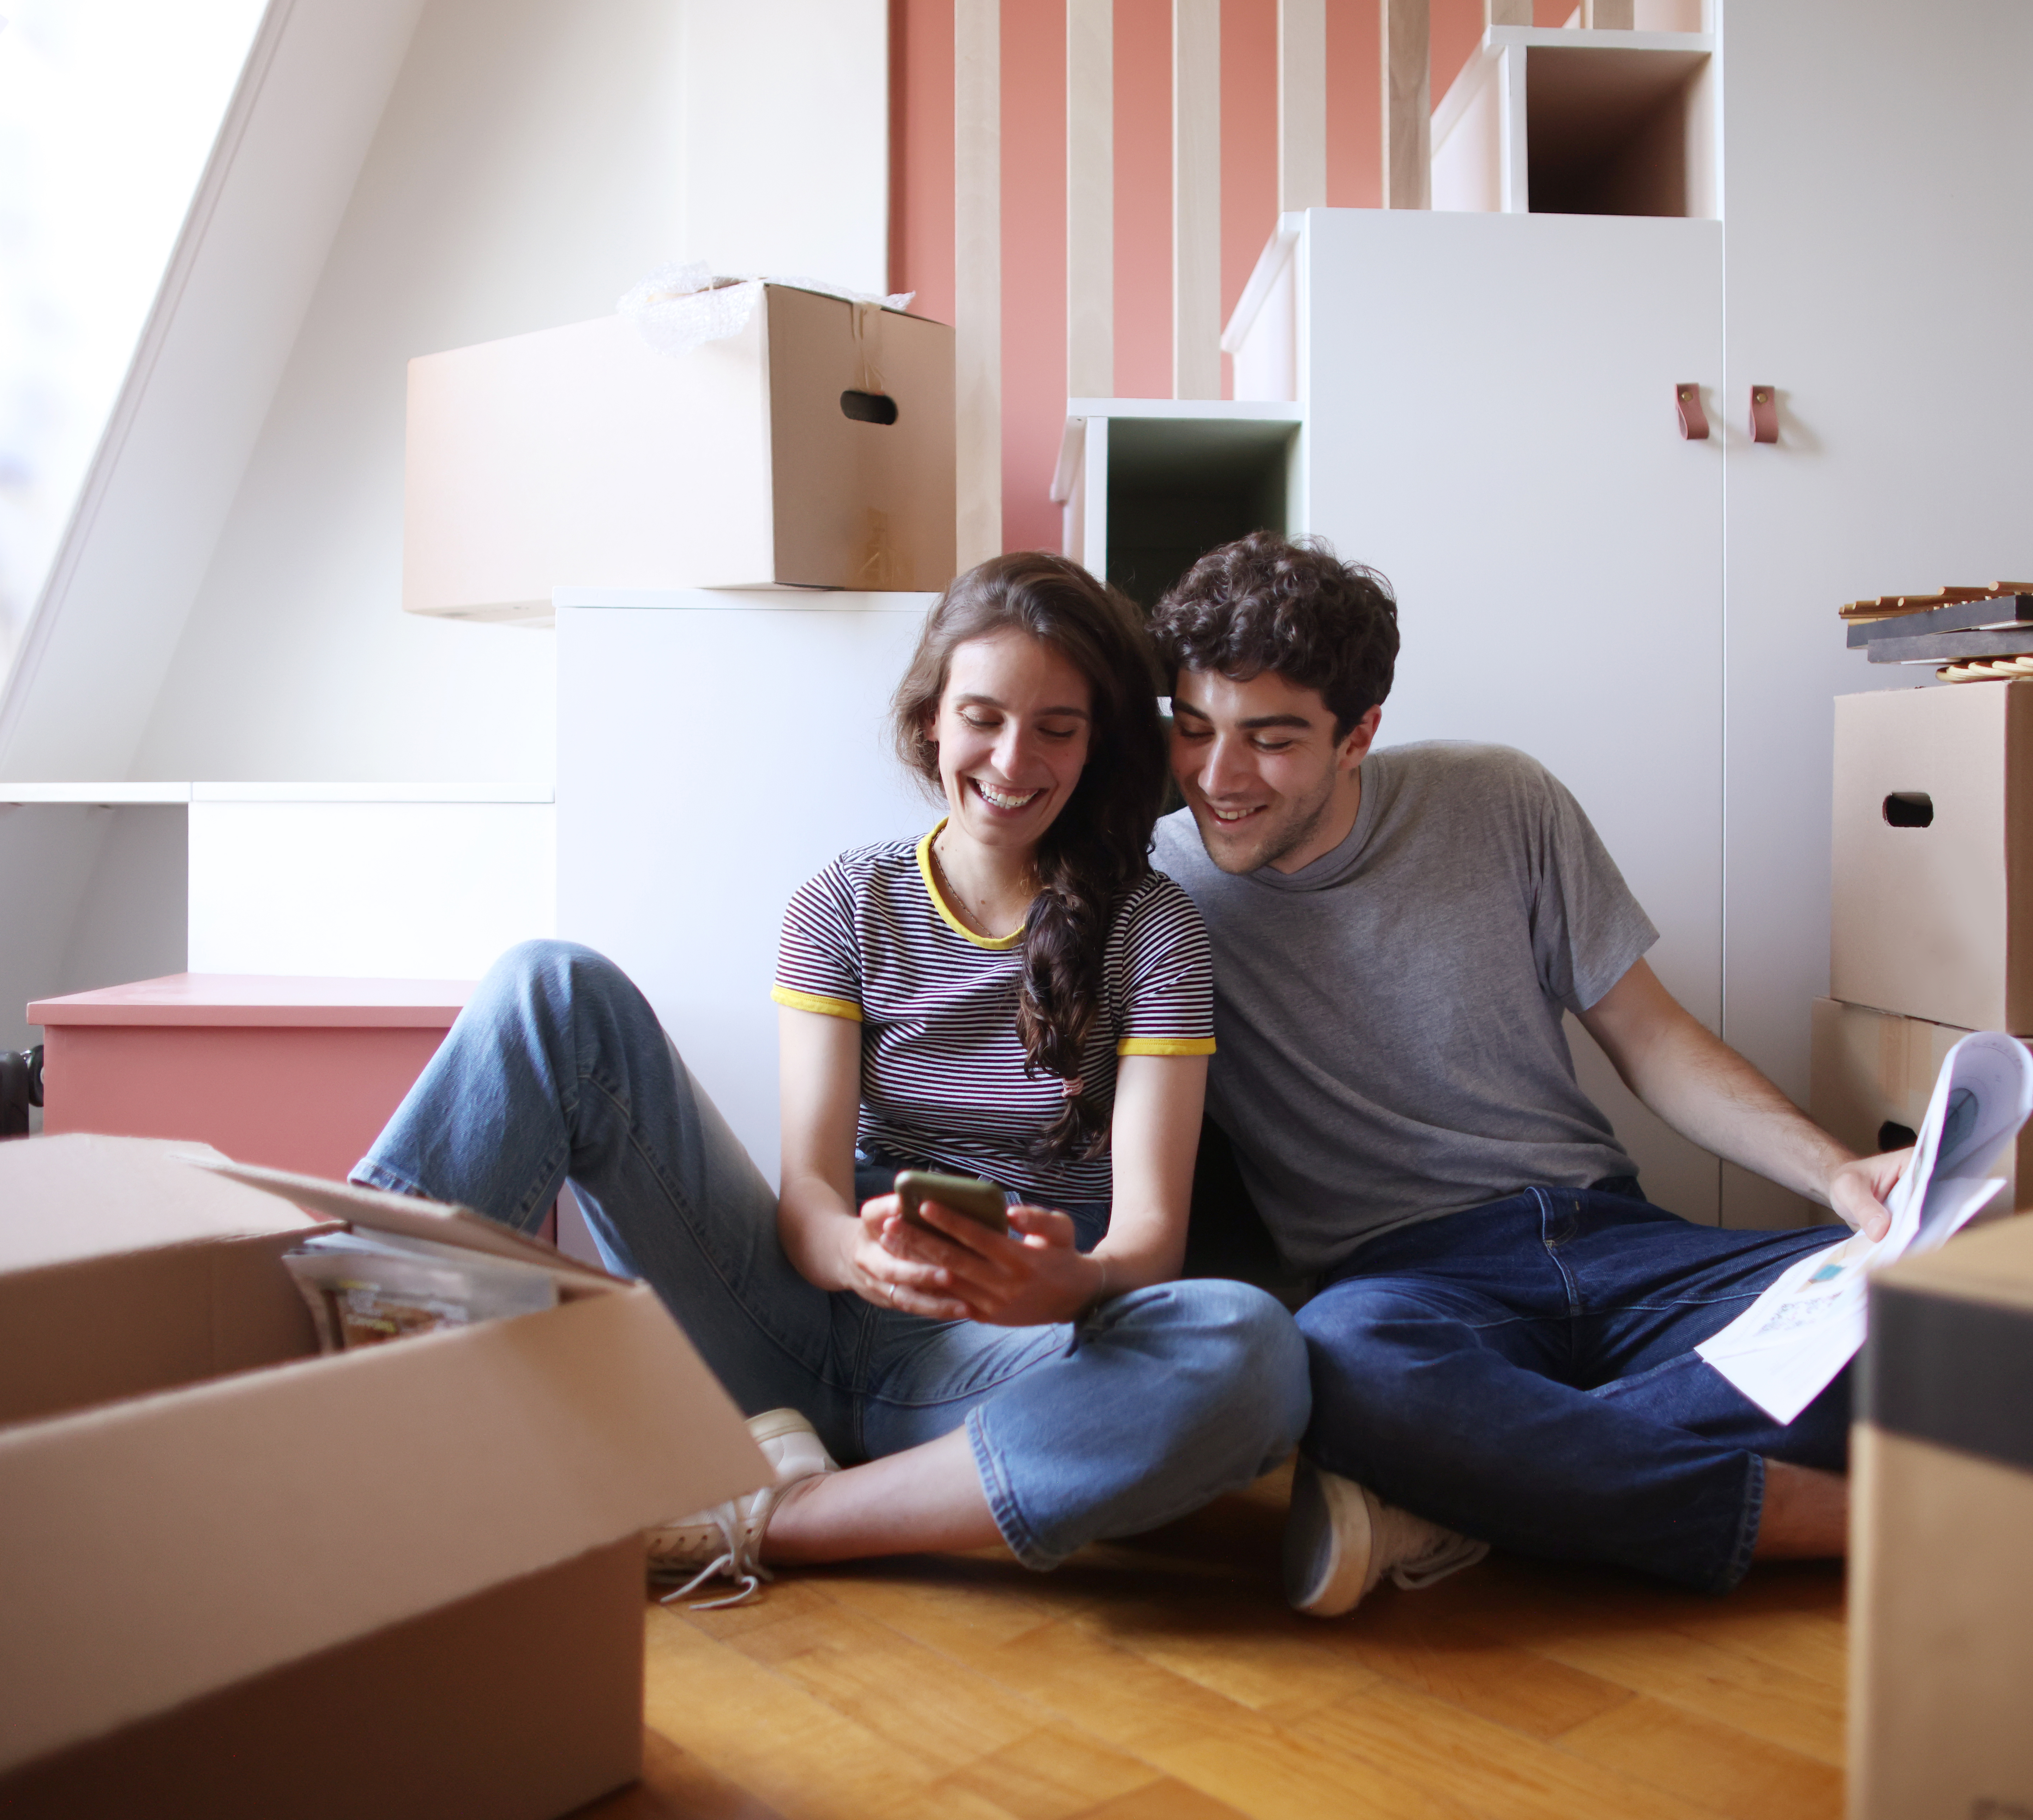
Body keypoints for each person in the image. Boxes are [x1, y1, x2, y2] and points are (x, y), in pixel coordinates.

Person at [355, 552, 1309, 1602]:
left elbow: (1148, 1248)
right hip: (792, 1323)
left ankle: (783, 1518)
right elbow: (806, 1198)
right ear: (932, 721)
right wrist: (861, 1255)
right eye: (983, 716)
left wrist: (1067, 1282)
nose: (1011, 757)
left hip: (999, 1372)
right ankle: (342, 1384)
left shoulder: (1155, 932)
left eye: (1057, 728)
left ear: (1097, 747)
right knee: (552, 990)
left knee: (1252, 1349)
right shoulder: (845, 902)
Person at [1143, 531, 1910, 1615]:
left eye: (1270, 741)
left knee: (1929, 1301)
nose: (1218, 779)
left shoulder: (1502, 798)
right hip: (1411, 1287)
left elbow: (1651, 1038)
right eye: (1192, 730)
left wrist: (1838, 1178)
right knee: (1344, 1364)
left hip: (1624, 1244)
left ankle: (1471, 1494)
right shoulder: (1156, 897)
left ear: (1360, 733)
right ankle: (1815, 1519)